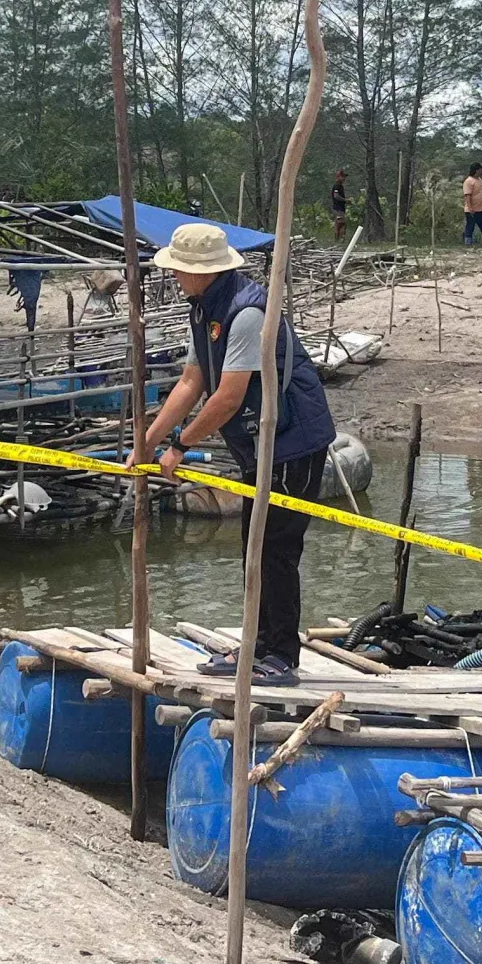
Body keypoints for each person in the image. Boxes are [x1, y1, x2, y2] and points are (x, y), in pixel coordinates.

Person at [139, 222, 337, 683]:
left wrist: (180, 446)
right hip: (258, 446)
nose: (175, 278)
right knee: (254, 546)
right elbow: (193, 381)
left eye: (180, 270)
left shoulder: (246, 312)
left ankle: (280, 656)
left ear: (202, 272)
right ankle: (256, 646)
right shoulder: (204, 308)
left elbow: (227, 396)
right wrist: (147, 442)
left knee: (277, 549)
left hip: (291, 442)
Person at [461, 163, 482, 244]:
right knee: (470, 227)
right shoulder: (468, 181)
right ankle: (468, 242)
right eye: (481, 169)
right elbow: (467, 196)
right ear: (476, 170)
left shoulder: (480, 180)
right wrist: (470, 208)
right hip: (473, 210)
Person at [329, 169, 351, 243]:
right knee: (340, 223)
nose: (344, 178)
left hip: (341, 208)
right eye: (342, 176)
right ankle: (339, 240)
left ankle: (339, 240)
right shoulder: (337, 186)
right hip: (337, 208)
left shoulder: (340, 186)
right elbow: (336, 196)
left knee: (341, 223)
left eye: (344, 177)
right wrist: (345, 200)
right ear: (338, 177)